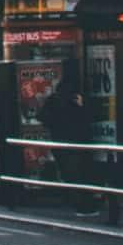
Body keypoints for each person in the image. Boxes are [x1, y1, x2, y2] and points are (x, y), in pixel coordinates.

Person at [37, 79, 100, 216]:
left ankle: (78, 204)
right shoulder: (76, 101)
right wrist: (81, 106)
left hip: (59, 142)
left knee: (69, 174)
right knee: (83, 174)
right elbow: (90, 118)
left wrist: (54, 124)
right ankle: (86, 205)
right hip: (78, 142)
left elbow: (41, 117)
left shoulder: (53, 100)